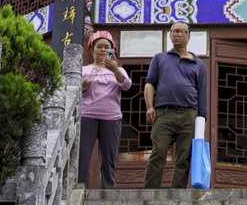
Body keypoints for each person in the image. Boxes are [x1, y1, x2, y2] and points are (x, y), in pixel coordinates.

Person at [142, 21, 205, 189]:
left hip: (189, 114)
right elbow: (150, 83)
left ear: (188, 36)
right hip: (164, 112)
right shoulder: (159, 58)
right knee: (158, 152)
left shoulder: (198, 64)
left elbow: (202, 91)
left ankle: (178, 192)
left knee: (184, 157)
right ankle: (149, 191)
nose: (177, 34)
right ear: (170, 35)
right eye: (174, 31)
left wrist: (202, 118)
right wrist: (150, 107)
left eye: (182, 31)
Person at [77, 34, 131, 189]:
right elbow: (74, 90)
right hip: (87, 115)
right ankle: (78, 188)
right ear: (91, 50)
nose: (102, 50)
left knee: (109, 158)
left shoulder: (119, 70)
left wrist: (115, 69)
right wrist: (83, 84)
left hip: (111, 117)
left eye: (107, 47)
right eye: (99, 47)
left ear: (113, 51)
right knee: (82, 155)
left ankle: (106, 190)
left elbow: (126, 85)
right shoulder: (84, 70)